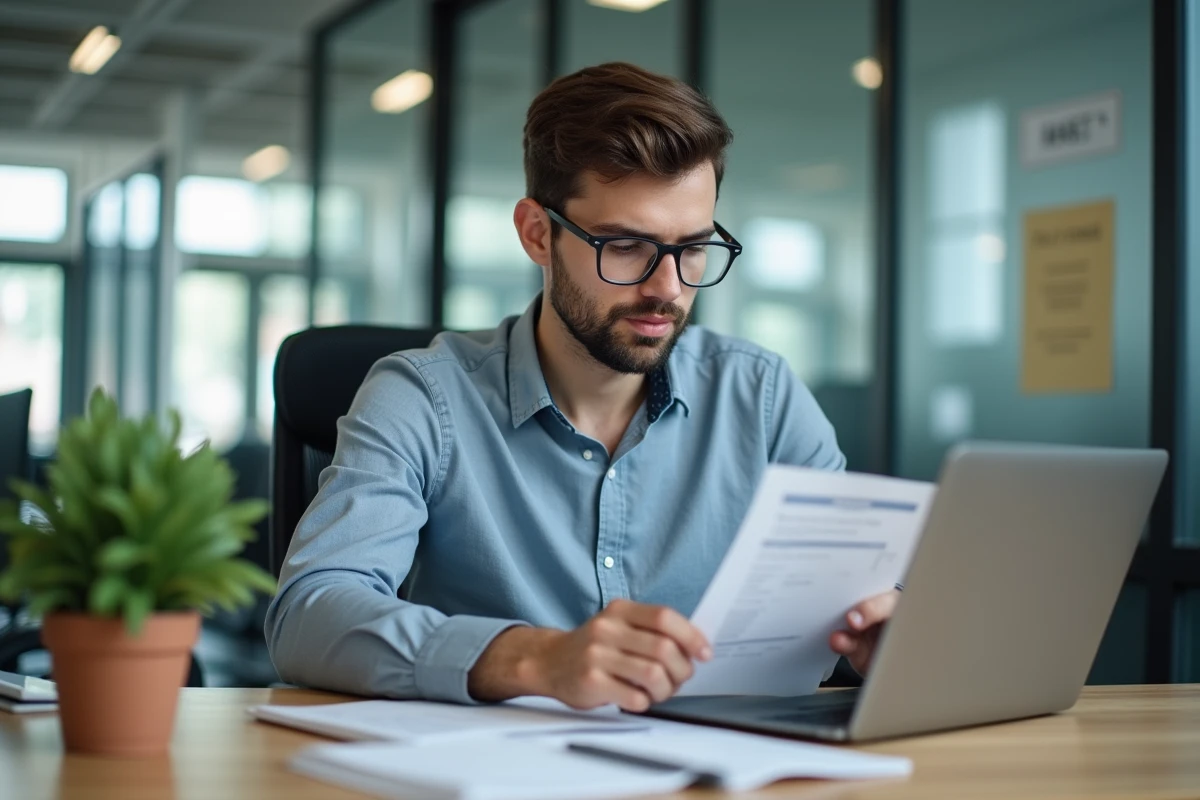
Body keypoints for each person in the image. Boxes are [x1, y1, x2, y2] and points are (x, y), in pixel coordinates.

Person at [265, 62, 899, 711]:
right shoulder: (422, 398)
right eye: (626, 246)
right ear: (538, 234)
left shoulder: (762, 397)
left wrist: (882, 637)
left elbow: (851, 600)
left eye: (694, 247)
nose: (669, 288)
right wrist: (535, 656)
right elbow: (309, 614)